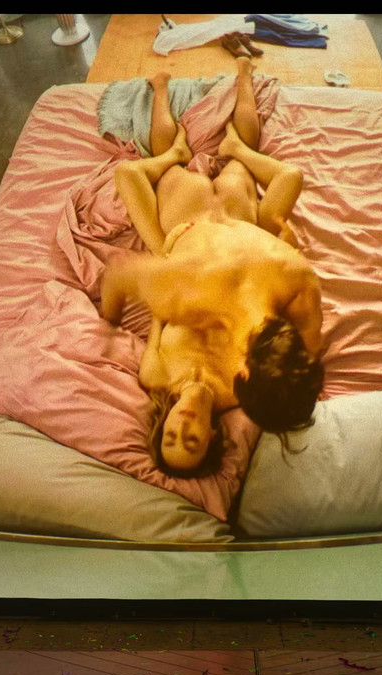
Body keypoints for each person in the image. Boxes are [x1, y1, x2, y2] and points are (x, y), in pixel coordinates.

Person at [101, 58, 325, 477]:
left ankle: (165, 103)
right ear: (212, 435)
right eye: (191, 440)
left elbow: (146, 303)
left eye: (171, 435)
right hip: (234, 232)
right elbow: (307, 345)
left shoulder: (161, 364)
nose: (183, 427)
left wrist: (110, 322)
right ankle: (243, 83)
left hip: (189, 233)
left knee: (166, 168)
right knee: (243, 164)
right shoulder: (247, 371)